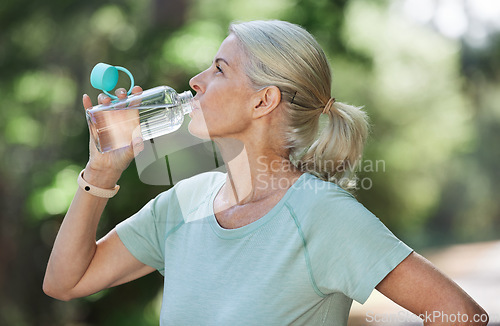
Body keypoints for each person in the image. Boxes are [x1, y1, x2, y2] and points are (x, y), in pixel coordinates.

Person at [44, 20, 488, 325]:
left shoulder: (321, 215)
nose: (196, 81)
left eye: (219, 69)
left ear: (263, 101)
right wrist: (99, 172)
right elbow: (67, 282)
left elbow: (462, 316)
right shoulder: (184, 202)